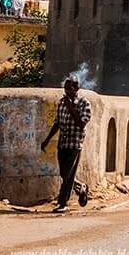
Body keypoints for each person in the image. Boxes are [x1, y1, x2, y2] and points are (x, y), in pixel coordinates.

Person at [40, 77, 92, 213]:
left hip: (75, 143)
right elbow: (57, 123)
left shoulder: (84, 103)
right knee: (64, 173)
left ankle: (63, 203)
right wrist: (47, 139)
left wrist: (71, 108)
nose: (67, 90)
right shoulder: (62, 102)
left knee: (68, 174)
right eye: (66, 87)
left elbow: (82, 124)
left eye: (70, 88)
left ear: (76, 89)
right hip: (62, 143)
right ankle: (80, 187)